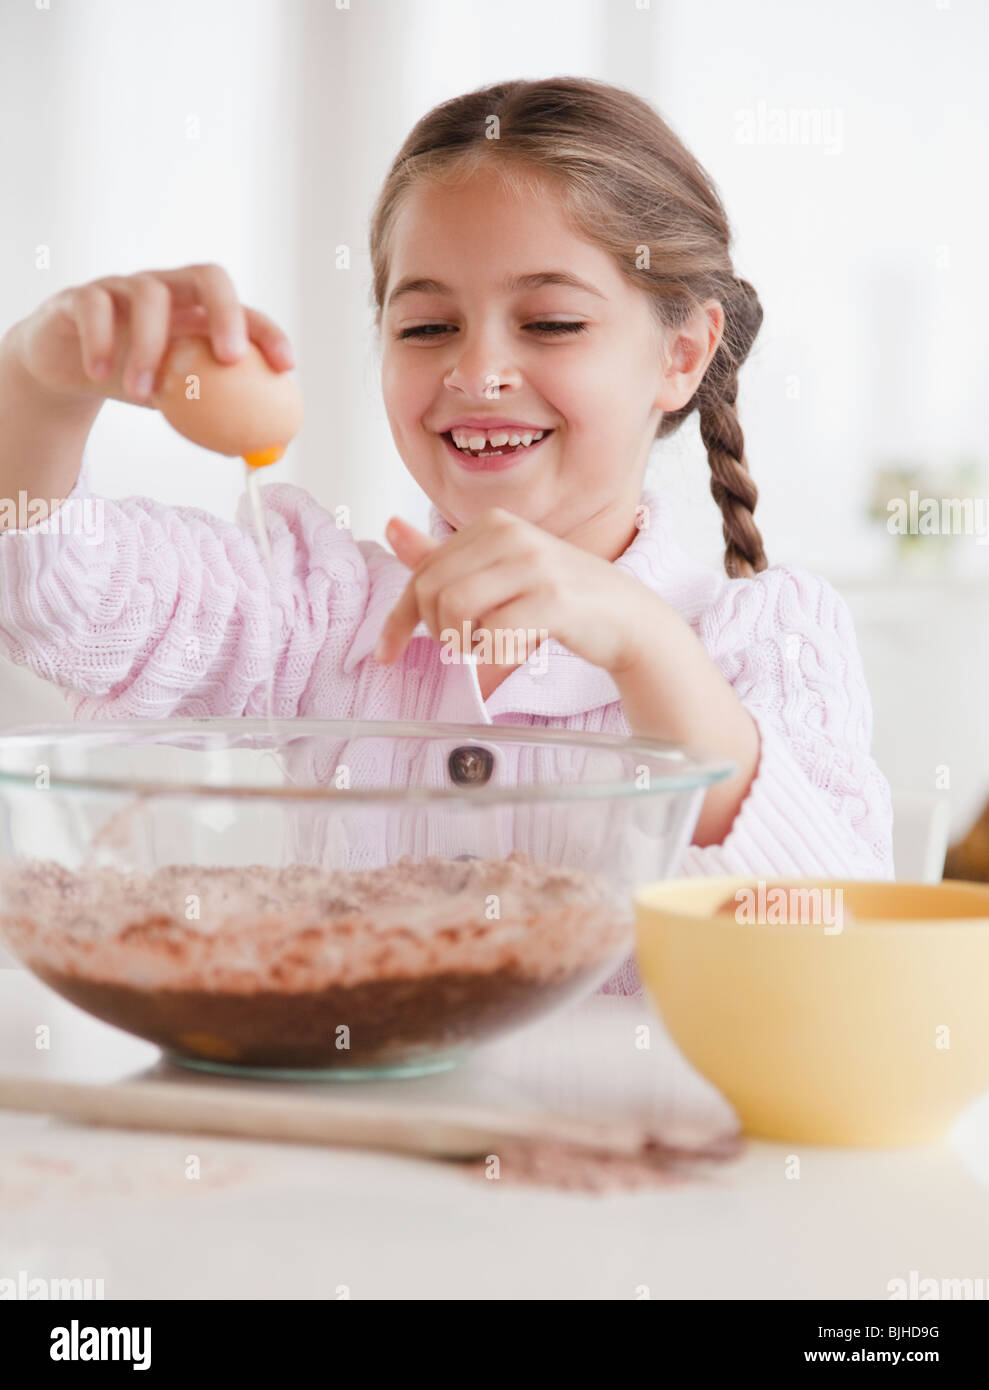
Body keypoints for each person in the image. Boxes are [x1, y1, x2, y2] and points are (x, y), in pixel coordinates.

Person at [0, 78, 894, 996]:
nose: (476, 372)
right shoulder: (322, 614)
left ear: (681, 354)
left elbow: (834, 962)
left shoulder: (764, 642)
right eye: (427, 325)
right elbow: (64, 597)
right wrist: (38, 384)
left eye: (550, 321)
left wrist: (646, 646)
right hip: (346, 1139)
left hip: (638, 1142)